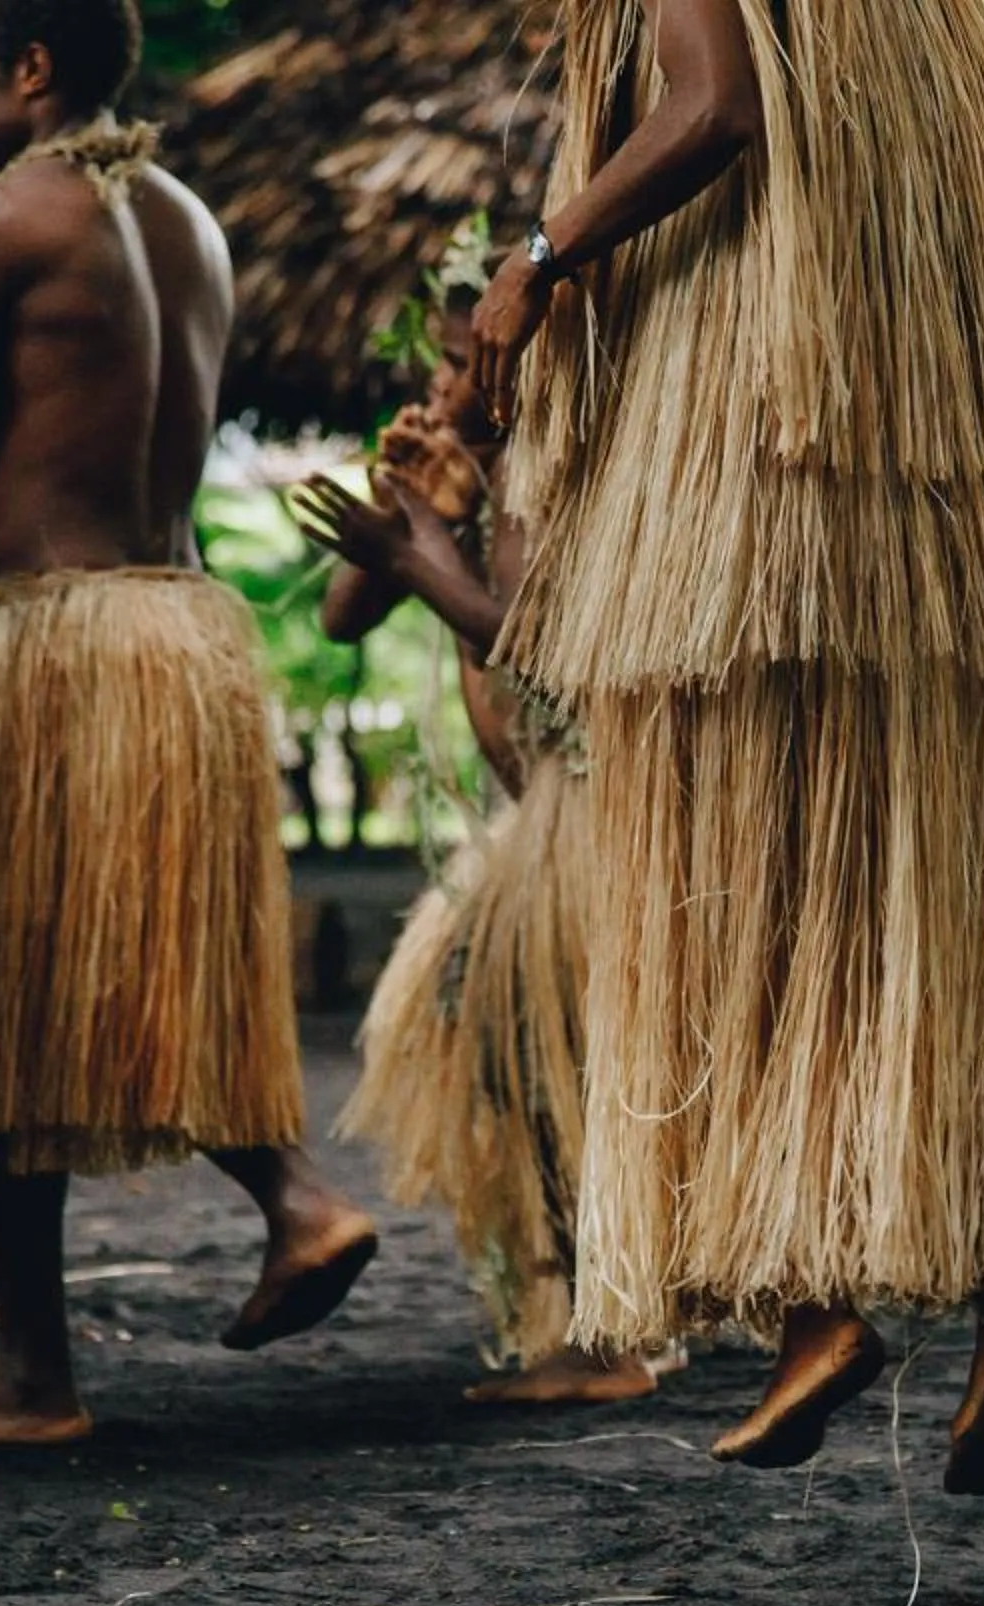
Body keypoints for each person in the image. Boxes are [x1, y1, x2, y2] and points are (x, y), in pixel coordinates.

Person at [470, 0, 984, 1490]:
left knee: (748, 876)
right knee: (982, 893)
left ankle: (812, 1307)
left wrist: (544, 256)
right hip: (954, 465)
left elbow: (713, 108)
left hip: (764, 466)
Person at [0, 0, 379, 1447]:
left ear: (31, 71)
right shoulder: (186, 217)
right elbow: (67, 420)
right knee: (165, 957)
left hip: (56, 645)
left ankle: (31, 1374)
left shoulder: (2, 216)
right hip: (179, 636)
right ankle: (298, 1205)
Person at [295, 317, 665, 1406]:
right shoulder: (483, 484)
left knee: (580, 1073)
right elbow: (344, 612)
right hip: (536, 830)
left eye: (462, 359)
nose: (441, 379)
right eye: (441, 360)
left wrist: (421, 546)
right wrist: (400, 507)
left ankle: (613, 1335)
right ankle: (601, 1317)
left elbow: (531, 649)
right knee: (519, 1058)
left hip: (595, 818)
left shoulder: (554, 481)